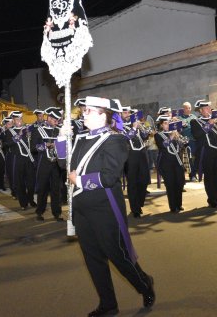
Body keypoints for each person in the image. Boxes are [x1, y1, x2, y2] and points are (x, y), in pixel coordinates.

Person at [57, 96, 155, 316]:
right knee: (92, 258)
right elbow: (64, 164)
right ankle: (108, 305)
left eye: (89, 111)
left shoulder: (116, 140)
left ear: (104, 115)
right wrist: (62, 137)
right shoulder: (81, 138)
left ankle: (144, 283)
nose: (84, 114)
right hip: (82, 209)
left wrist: (80, 181)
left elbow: (109, 177)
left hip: (105, 208)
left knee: (117, 254)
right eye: (84, 111)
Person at [191, 100, 217, 208]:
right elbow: (197, 135)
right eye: (206, 108)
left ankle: (216, 196)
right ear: (201, 111)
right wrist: (209, 124)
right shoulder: (195, 122)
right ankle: (211, 199)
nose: (209, 110)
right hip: (206, 152)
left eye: (209, 108)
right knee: (209, 176)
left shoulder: (214, 120)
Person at [31, 107, 64, 221]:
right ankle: (40, 212)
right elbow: (33, 148)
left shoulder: (59, 130)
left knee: (56, 189)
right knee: (42, 189)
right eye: (55, 120)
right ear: (49, 118)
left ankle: (57, 213)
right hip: (43, 164)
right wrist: (46, 145)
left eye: (58, 120)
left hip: (56, 164)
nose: (57, 122)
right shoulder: (38, 130)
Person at [121, 106, 151, 218]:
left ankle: (139, 202)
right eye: (124, 112)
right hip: (130, 156)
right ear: (120, 114)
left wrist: (142, 128)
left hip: (142, 153)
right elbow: (125, 138)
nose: (127, 114)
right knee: (132, 182)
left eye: (128, 112)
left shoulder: (136, 123)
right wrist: (134, 128)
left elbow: (144, 136)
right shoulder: (118, 126)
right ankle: (135, 209)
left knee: (144, 180)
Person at [4, 111, 36, 209]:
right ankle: (23, 203)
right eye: (17, 119)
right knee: (20, 182)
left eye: (20, 119)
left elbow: (33, 144)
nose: (19, 121)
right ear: (13, 120)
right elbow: (6, 144)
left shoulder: (28, 129)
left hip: (28, 159)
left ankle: (31, 199)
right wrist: (19, 135)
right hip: (17, 160)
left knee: (31, 182)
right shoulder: (8, 132)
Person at [154, 115, 185, 213]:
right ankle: (173, 206)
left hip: (177, 161)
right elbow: (163, 146)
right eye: (166, 123)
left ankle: (179, 204)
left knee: (179, 183)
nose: (168, 125)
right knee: (171, 184)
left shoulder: (175, 133)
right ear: (162, 125)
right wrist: (171, 136)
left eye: (169, 123)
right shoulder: (158, 135)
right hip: (166, 163)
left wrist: (181, 140)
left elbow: (181, 146)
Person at [178, 102, 198, 182]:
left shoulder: (194, 117)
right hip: (186, 141)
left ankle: (196, 172)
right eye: (187, 108)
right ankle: (192, 175)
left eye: (190, 108)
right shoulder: (179, 118)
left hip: (195, 140)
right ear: (183, 109)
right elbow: (178, 130)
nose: (189, 109)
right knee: (189, 158)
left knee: (196, 157)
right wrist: (181, 126)